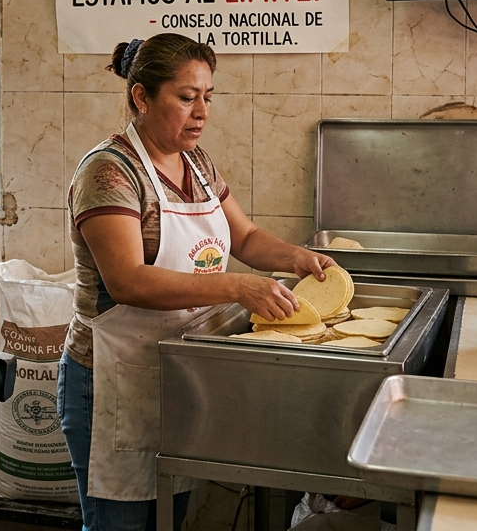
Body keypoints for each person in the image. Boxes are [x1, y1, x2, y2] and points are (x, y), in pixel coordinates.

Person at [58, 33, 335, 530]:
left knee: (169, 518)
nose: (202, 112)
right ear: (142, 97)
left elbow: (244, 236)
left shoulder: (197, 163)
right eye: (187, 97)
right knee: (119, 523)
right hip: (114, 380)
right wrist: (238, 288)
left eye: (208, 96)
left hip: (182, 374)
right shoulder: (109, 172)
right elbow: (128, 282)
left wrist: (298, 257)